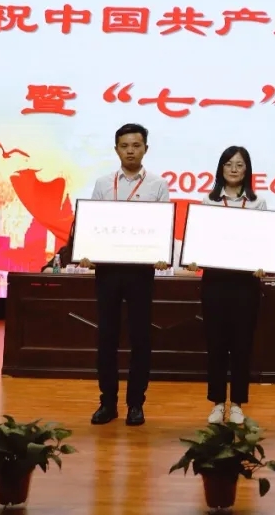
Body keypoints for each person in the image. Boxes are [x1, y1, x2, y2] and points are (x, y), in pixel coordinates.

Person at [85, 123, 171, 426]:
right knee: (106, 338)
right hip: (107, 271)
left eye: (136, 145)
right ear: (116, 149)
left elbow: (162, 228)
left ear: (146, 148)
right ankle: (107, 403)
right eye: (124, 146)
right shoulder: (103, 183)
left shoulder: (158, 185)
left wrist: (162, 254)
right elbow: (93, 225)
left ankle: (136, 403)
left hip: (140, 272)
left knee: (140, 338)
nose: (130, 151)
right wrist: (87, 251)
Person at [183, 146, 266, 425]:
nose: (234, 169)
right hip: (215, 282)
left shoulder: (257, 203)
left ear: (247, 170)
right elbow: (200, 239)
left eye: (239, 165)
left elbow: (262, 242)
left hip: (245, 284)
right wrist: (193, 257)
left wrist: (263, 262)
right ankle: (218, 403)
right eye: (229, 164)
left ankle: (238, 403)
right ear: (221, 168)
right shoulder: (208, 202)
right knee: (216, 345)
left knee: (242, 345)